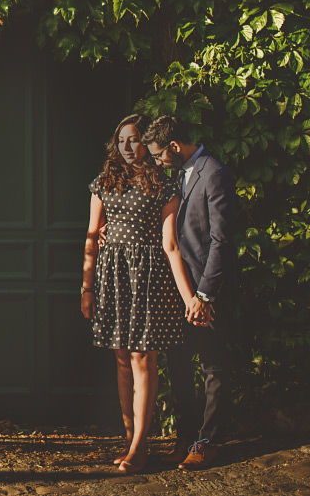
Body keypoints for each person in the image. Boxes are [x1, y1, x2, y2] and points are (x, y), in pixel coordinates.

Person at [80, 113, 197, 474]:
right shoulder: (104, 182)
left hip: (149, 278)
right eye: (121, 140)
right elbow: (91, 236)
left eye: (133, 139)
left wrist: (189, 297)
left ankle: (139, 447)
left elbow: (170, 244)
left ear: (146, 142)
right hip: (113, 276)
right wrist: (86, 288)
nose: (127, 147)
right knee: (121, 359)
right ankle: (132, 438)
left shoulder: (164, 184)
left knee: (142, 358)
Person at [142, 115, 239, 471]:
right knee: (179, 365)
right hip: (178, 293)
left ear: (174, 146)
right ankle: (185, 438)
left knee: (214, 368)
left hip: (207, 293)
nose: (157, 162)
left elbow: (221, 240)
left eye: (158, 155)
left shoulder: (214, 173)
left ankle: (207, 443)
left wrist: (205, 295)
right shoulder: (178, 175)